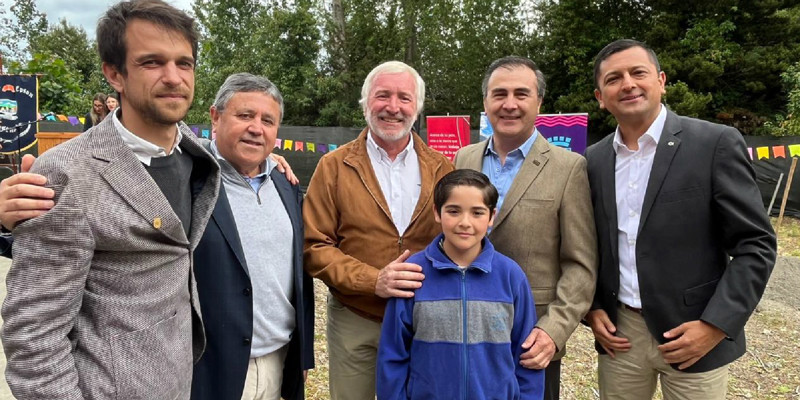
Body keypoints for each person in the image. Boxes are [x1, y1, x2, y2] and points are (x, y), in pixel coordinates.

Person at [0, 1, 221, 398]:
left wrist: (269, 159)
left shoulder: (196, 155)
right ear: (114, 73)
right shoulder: (68, 173)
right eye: (152, 62)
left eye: (184, 63)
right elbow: (34, 337)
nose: (174, 77)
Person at [584, 39, 777, 399]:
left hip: (695, 333)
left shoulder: (714, 143)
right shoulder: (593, 160)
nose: (628, 84)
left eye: (638, 73)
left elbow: (756, 245)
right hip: (621, 336)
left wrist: (716, 325)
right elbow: (588, 244)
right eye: (613, 79)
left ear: (661, 81)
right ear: (600, 97)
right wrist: (592, 308)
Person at [303, 60, 454, 399]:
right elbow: (314, 246)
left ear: (417, 107)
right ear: (365, 103)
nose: (393, 107)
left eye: (404, 97)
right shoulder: (333, 166)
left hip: (423, 318)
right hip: (356, 317)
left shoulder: (442, 168)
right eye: (383, 95)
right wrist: (374, 281)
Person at [453, 56, 598, 400]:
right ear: (485, 102)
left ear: (539, 102)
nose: (510, 104)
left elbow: (581, 264)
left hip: (530, 339)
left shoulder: (569, 168)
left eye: (521, 94)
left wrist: (553, 331)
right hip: (464, 330)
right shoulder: (463, 159)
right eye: (499, 94)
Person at [191, 73, 313, 400]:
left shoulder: (286, 185)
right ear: (215, 117)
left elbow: (299, 275)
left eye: (267, 120)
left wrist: (302, 354)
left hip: (279, 361)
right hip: (213, 367)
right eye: (245, 115)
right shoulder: (190, 178)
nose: (256, 128)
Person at [376, 169, 544, 400]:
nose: (465, 223)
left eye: (477, 213)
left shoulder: (511, 276)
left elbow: (527, 356)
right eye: (454, 211)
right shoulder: (412, 274)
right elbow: (393, 354)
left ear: (492, 216)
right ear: (437, 212)